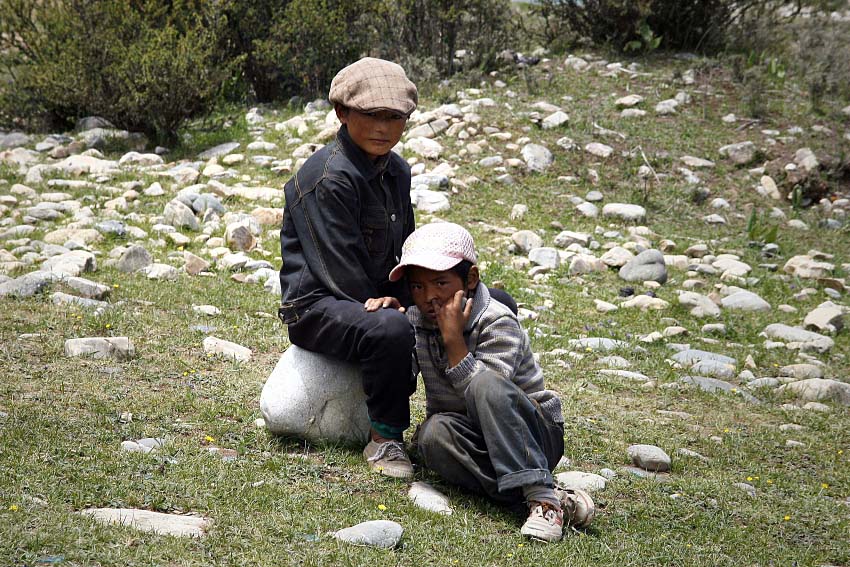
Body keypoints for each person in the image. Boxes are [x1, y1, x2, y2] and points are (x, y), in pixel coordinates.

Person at [387, 222, 595, 542]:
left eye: (441, 282)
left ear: (470, 279)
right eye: (417, 287)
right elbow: (401, 374)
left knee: (486, 383)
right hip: (474, 436)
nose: (429, 297)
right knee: (432, 435)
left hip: (532, 435)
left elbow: (490, 394)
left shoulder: (496, 320)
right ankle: (552, 498)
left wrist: (454, 341)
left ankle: (542, 499)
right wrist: (387, 324)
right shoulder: (417, 321)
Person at [278, 57, 419, 479]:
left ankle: (475, 419)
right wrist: (399, 310)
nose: (382, 127)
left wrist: (423, 292)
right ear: (342, 113)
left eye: (394, 118)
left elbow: (406, 250)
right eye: (371, 115)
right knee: (392, 329)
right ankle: (385, 439)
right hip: (319, 305)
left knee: (485, 302)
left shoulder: (396, 171)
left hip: (377, 292)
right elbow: (337, 272)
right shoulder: (328, 176)